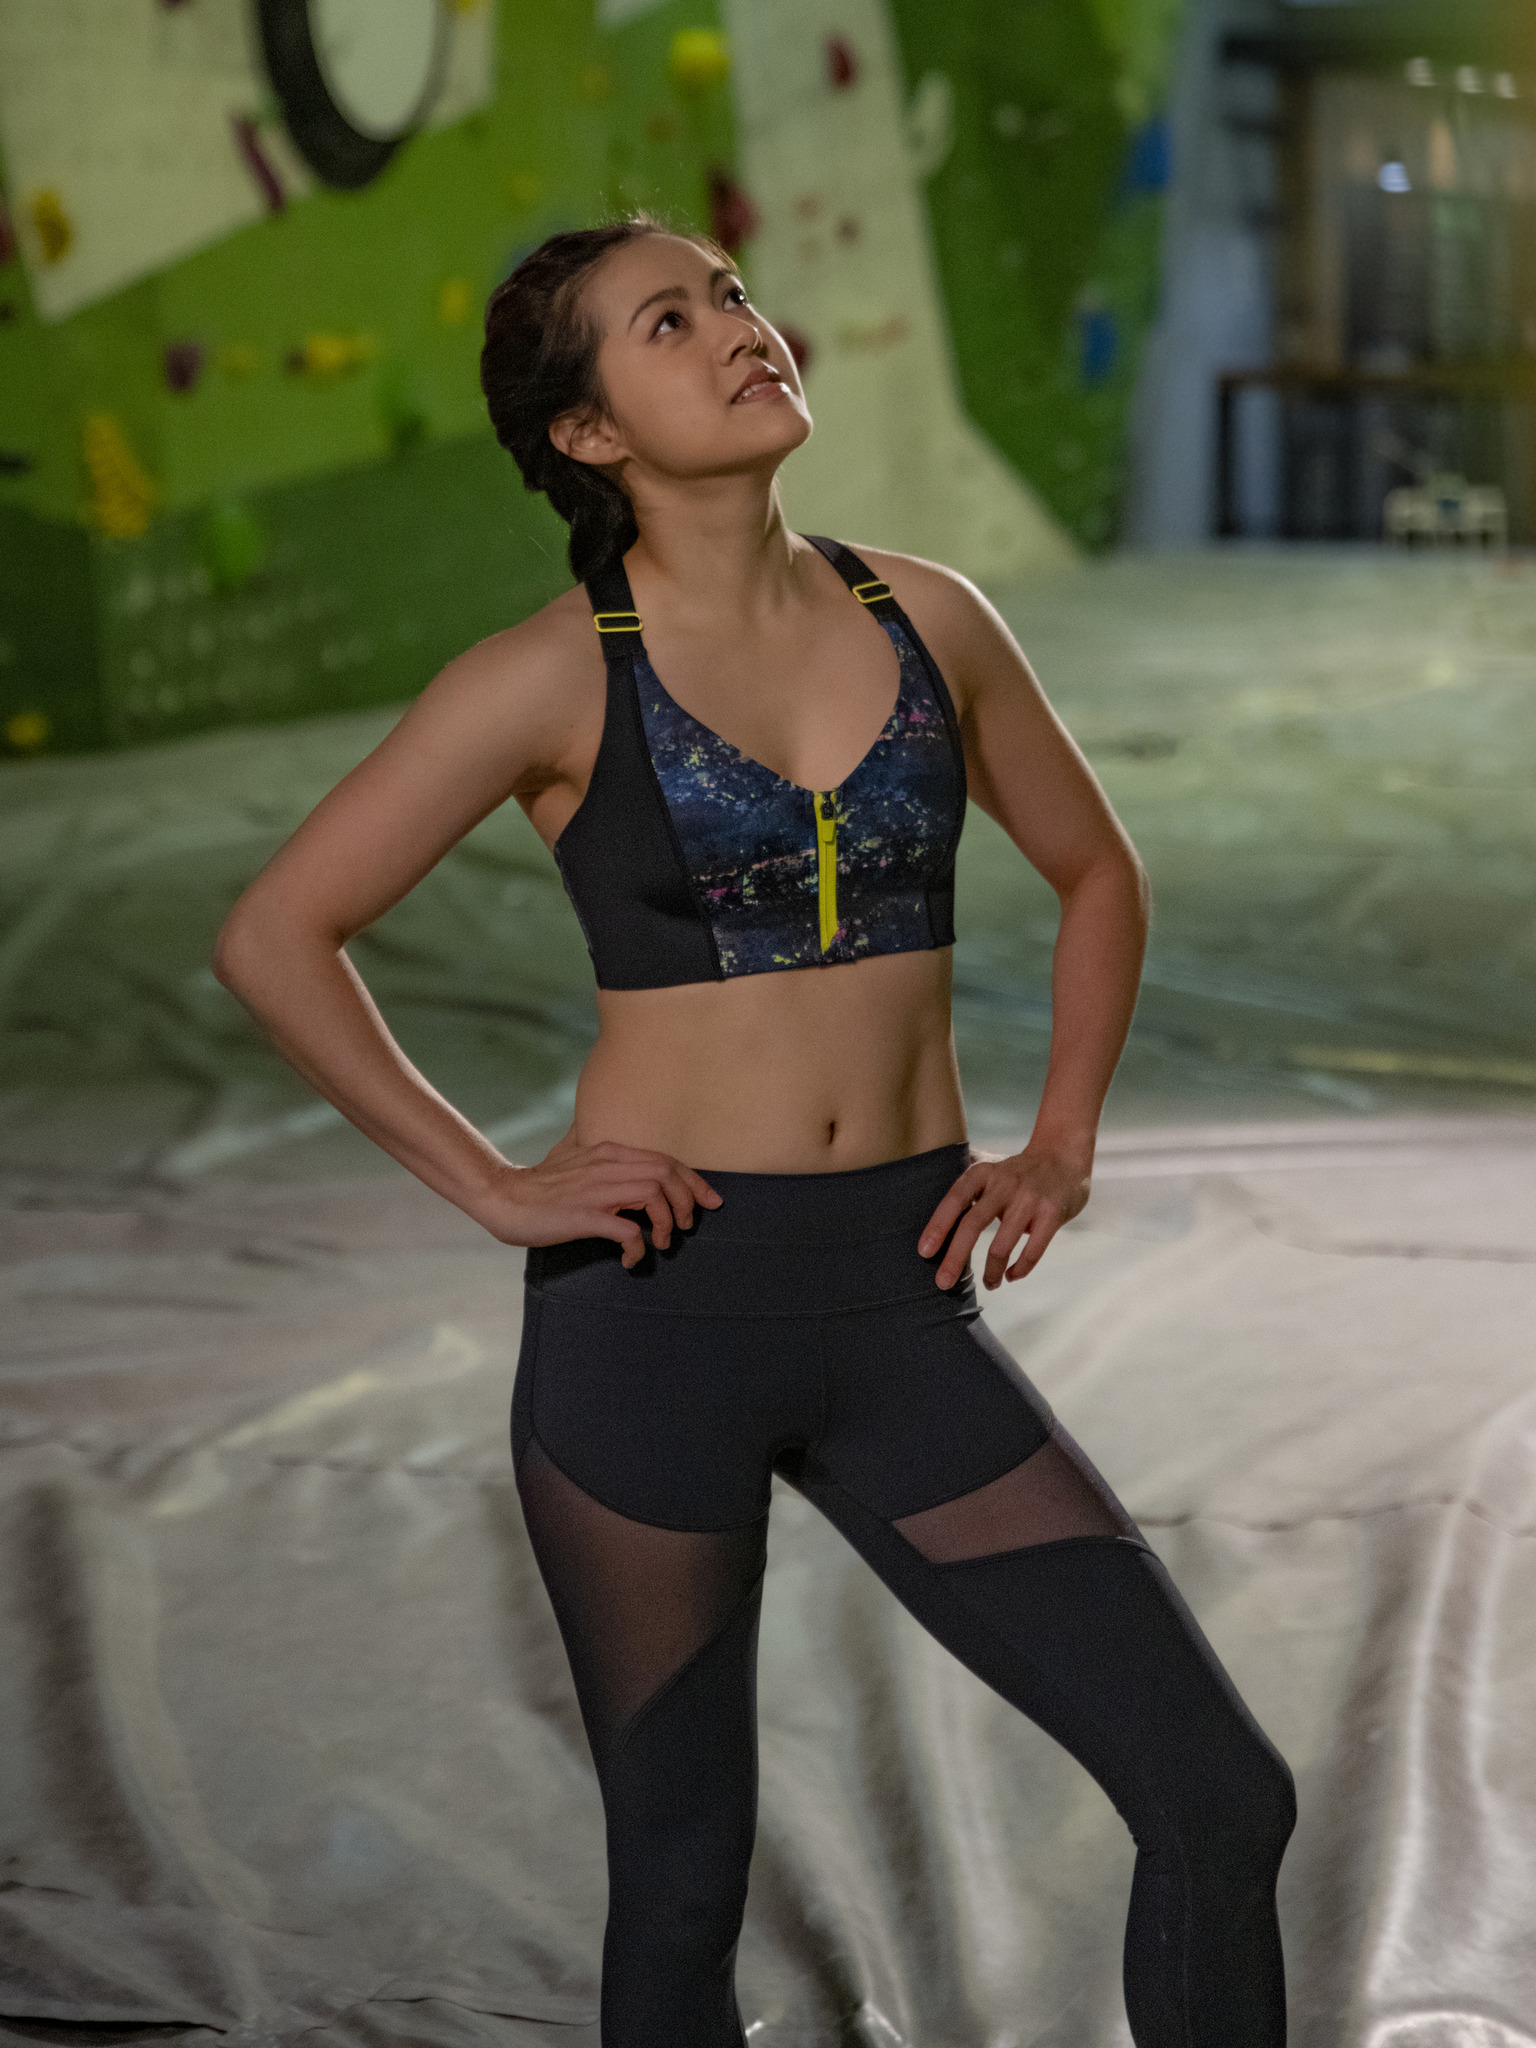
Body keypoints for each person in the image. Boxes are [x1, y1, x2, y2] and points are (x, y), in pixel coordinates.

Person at [213, 215, 1295, 2048]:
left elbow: (1097, 869)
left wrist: (1061, 1140)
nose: (737, 326)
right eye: (667, 320)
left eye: (727, 293)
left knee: (1220, 1796)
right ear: (586, 432)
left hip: (897, 1302)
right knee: (684, 1880)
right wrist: (490, 1182)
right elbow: (275, 934)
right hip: (657, 1321)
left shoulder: (927, 615)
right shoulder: (550, 675)